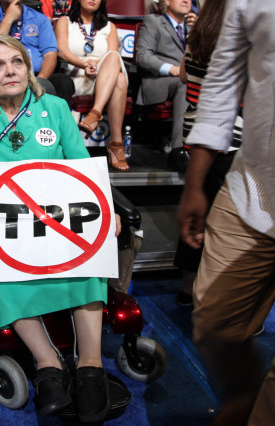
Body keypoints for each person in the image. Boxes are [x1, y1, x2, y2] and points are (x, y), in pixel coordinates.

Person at [0, 34, 120, 423]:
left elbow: (80, 168)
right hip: (6, 223)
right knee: (1, 270)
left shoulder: (55, 108)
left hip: (59, 219)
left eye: (17, 62)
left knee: (90, 258)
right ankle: (49, 366)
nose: (10, 71)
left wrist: (105, 210)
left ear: (29, 68)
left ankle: (91, 367)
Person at [177, 1, 275, 426]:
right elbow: (219, 86)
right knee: (214, 319)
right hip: (250, 181)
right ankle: (243, 396)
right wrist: (196, 184)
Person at [172, 0, 241, 306]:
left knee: (197, 218)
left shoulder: (199, 29)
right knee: (225, 224)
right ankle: (215, 297)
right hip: (232, 138)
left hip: (195, 135)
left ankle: (189, 288)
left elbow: (185, 77)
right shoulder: (239, 33)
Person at [55, 0, 129, 172]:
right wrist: (83, 64)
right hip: (76, 77)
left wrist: (99, 67)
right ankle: (116, 145)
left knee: (113, 60)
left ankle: (95, 114)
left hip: (103, 81)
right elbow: (62, 51)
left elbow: (113, 56)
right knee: (119, 79)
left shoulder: (109, 26)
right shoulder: (65, 22)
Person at [0, 0, 76, 108]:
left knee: (63, 82)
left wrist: (39, 80)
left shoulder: (40, 19)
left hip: (38, 75)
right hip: (5, 75)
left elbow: (50, 55)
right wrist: (8, 18)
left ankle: (58, 123)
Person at [135, 0, 197, 170]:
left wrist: (201, 32)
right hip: (160, 80)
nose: (186, 0)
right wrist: (173, 70)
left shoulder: (195, 26)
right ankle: (180, 151)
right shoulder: (153, 21)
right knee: (184, 82)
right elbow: (143, 56)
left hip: (189, 79)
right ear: (167, 2)